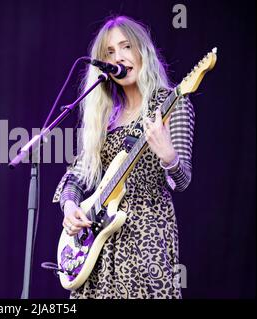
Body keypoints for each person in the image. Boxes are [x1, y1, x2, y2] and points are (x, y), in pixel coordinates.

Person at [52, 15, 195, 299]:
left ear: (142, 50)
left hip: (146, 240)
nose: (119, 57)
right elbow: (76, 176)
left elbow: (182, 181)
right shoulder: (105, 118)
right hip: (98, 251)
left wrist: (169, 156)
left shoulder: (171, 104)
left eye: (126, 47)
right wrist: (70, 208)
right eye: (109, 53)